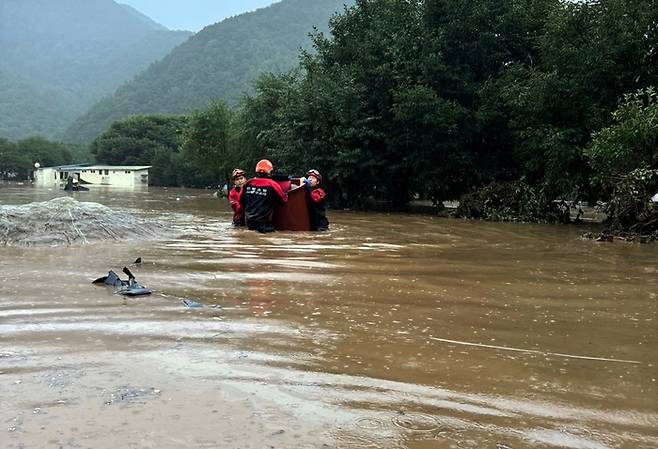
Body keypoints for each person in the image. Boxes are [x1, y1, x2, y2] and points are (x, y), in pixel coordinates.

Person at [240, 159, 288, 233]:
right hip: (264, 223)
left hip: (249, 221)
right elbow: (283, 200)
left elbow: (241, 200)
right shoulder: (273, 184)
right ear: (270, 172)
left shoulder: (248, 183)